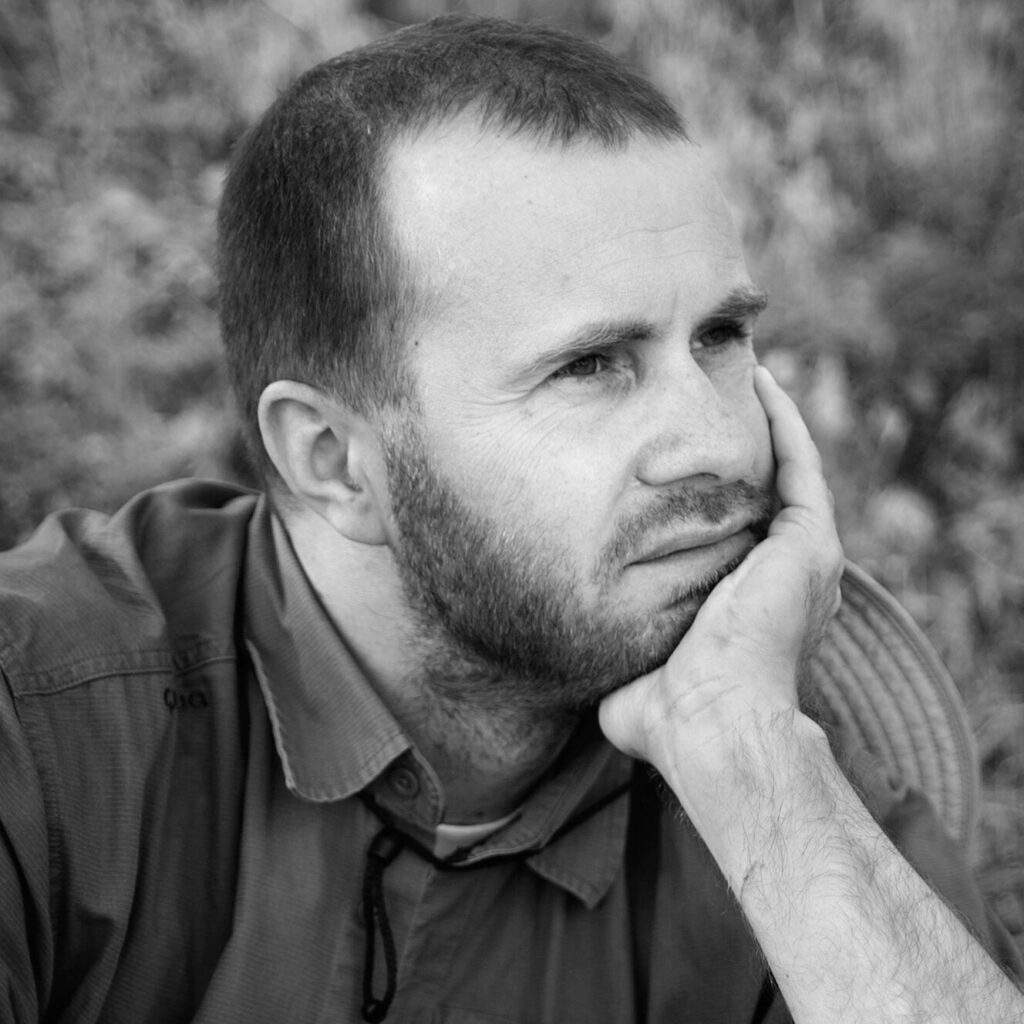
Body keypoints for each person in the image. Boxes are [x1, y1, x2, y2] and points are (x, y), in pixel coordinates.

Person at [0, 14, 1021, 1023]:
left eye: (718, 336)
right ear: (333, 459)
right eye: (590, 365)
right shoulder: (47, 736)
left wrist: (749, 755)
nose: (719, 441)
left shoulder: (794, 779)